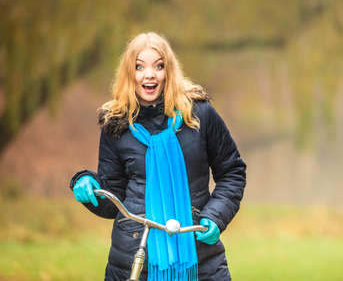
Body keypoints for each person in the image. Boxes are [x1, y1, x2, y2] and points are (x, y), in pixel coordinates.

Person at [69, 32, 246, 281]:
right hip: (135, 257)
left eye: (158, 66)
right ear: (130, 74)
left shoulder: (200, 115)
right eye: (140, 66)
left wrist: (215, 216)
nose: (149, 74)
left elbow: (232, 172)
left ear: (169, 72)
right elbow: (113, 197)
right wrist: (89, 184)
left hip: (200, 256)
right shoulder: (115, 125)